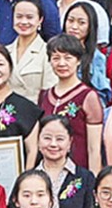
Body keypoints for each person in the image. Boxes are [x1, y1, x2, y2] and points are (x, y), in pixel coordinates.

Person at [39, 33, 105, 171]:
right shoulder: (44, 95)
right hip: (48, 171)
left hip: (78, 171)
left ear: (78, 60)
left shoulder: (88, 96)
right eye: (56, 58)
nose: (61, 63)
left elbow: (94, 148)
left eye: (68, 58)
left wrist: (93, 179)